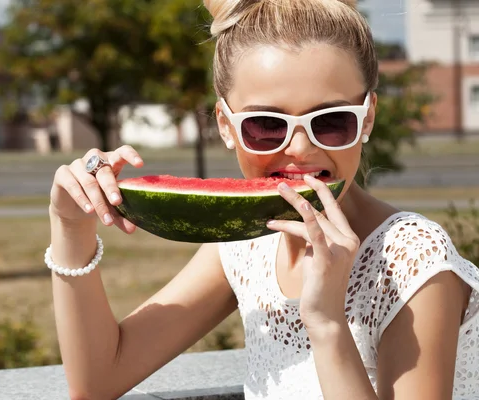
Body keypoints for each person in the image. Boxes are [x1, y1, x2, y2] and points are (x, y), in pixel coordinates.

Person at [46, 0, 479, 399]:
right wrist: (70, 226)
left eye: (331, 122)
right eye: (266, 126)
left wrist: (327, 323)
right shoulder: (245, 246)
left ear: (368, 117)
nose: (300, 149)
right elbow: (98, 380)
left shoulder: (412, 262)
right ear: (226, 124)